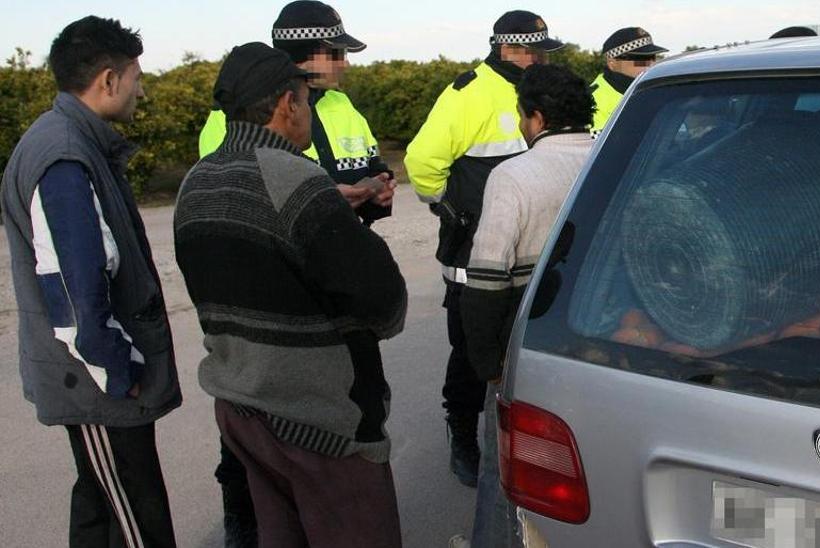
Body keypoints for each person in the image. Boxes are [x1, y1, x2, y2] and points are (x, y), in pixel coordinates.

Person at [174, 42, 408, 548]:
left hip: (242, 409)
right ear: (287, 104)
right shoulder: (296, 179)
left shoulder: (196, 181)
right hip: (319, 420)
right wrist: (335, 213)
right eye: (305, 103)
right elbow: (385, 306)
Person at [1, 16, 182, 548]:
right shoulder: (63, 155)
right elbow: (73, 292)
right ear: (108, 80)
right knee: (136, 514)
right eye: (136, 77)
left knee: (99, 500)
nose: (141, 89)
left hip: (93, 379)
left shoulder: (68, 140)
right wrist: (117, 369)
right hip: (98, 382)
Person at [404, 9, 563, 489]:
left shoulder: (540, 90)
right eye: (530, 50)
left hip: (534, 243)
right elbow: (422, 161)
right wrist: (451, 210)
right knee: (473, 347)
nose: (537, 58)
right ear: (504, 48)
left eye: (542, 50)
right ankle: (462, 432)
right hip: (478, 246)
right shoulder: (469, 92)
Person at [454, 63, 597, 548]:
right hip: (605, 339)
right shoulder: (610, 159)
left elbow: (488, 278)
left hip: (531, 339)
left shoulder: (513, 175)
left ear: (535, 117)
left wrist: (488, 363)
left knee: (508, 465)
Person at [198, 0, 396, 227]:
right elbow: (228, 203)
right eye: (336, 54)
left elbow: (372, 162)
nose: (345, 64)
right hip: (282, 256)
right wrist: (318, 201)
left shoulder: (341, 102)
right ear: (303, 54)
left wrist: (379, 189)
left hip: (343, 247)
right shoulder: (232, 115)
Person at [590, 27, 667, 133]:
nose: (649, 63)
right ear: (612, 63)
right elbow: (597, 144)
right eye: (640, 59)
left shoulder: (657, 90)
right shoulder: (592, 101)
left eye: (652, 56)